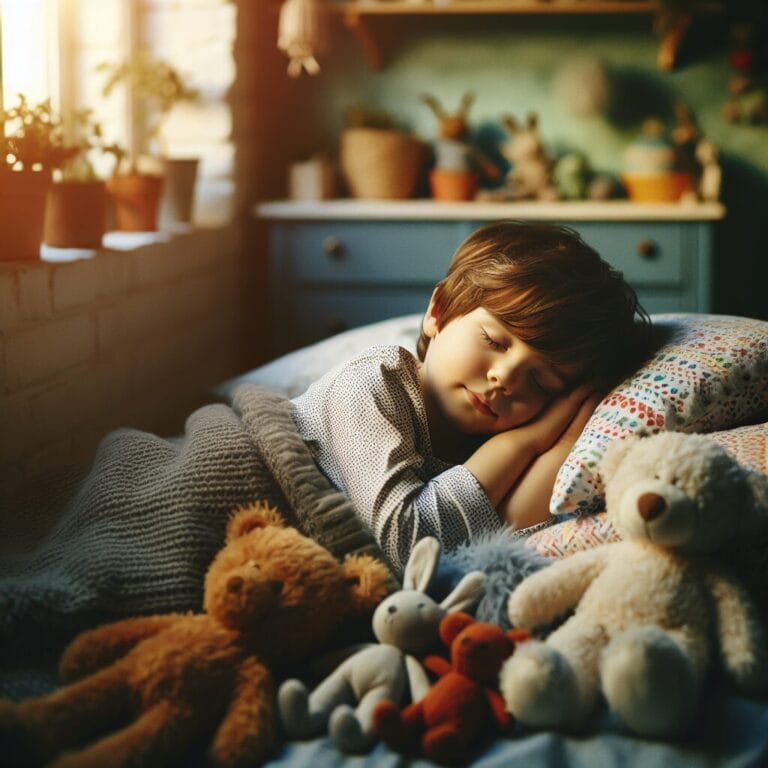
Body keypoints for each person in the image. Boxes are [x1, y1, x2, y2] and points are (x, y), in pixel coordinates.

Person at [294, 220, 650, 573]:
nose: (505, 377)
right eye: (494, 341)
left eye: (541, 382)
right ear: (438, 312)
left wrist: (566, 442)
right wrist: (524, 442)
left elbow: (505, 540)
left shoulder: (484, 451)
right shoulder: (374, 380)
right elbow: (409, 547)